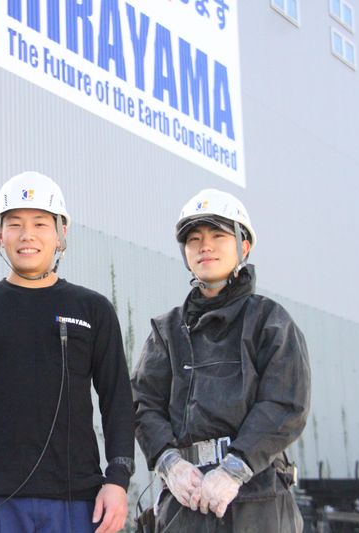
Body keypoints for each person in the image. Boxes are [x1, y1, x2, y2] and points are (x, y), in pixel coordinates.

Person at [0, 171, 135, 533]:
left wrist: (118, 480)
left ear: (61, 233)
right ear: (0, 234)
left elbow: (117, 400)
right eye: (15, 224)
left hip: (77, 500)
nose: (27, 235)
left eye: (40, 223)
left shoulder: (93, 309)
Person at [131, 189, 310, 532]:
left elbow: (286, 403)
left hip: (258, 500)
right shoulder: (167, 331)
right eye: (194, 239)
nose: (205, 246)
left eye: (218, 235)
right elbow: (143, 403)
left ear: (244, 246)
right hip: (186, 500)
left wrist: (235, 469)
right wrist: (169, 463)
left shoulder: (270, 322)